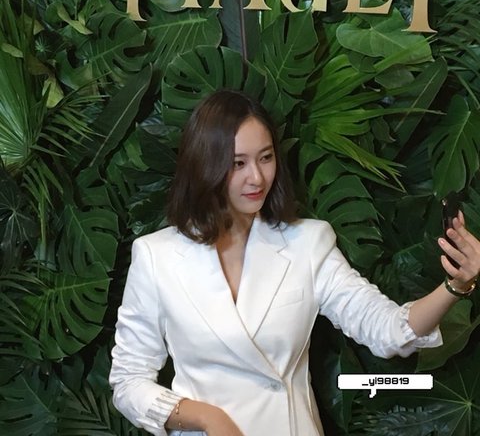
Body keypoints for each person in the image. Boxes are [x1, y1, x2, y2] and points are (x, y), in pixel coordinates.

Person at [109, 89, 480, 436]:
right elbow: (128, 381)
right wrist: (206, 417)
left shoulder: (308, 243)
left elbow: (387, 330)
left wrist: (456, 285)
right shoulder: (156, 256)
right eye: (237, 163)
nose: (257, 177)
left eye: (265, 157)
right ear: (204, 165)